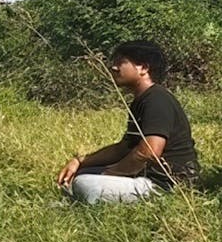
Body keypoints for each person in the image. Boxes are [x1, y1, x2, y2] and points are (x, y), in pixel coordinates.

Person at [57, 40, 200, 204]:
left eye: (121, 62)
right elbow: (123, 148)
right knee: (79, 175)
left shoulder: (157, 99)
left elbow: (149, 151)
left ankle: (79, 201)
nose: (114, 68)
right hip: (144, 177)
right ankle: (78, 199)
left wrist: (110, 173)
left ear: (143, 68)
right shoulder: (141, 101)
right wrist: (80, 161)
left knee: (83, 183)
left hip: (165, 185)